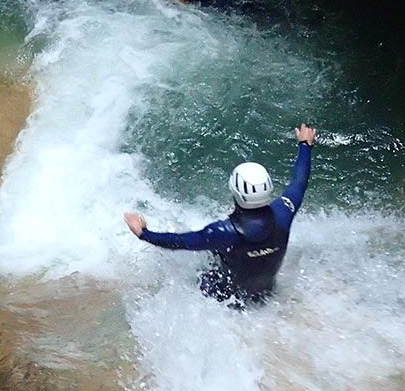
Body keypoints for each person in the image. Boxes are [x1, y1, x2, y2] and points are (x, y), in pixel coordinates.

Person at [124, 125, 316, 303]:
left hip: (228, 301)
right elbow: (299, 182)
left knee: (201, 273)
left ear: (234, 191)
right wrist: (305, 145)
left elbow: (180, 242)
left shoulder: (224, 232)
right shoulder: (284, 212)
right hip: (265, 296)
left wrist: (144, 234)